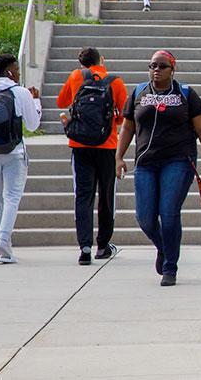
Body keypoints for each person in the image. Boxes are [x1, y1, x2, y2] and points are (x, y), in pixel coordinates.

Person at [115, 50, 201, 286]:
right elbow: (127, 128)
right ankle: (164, 247)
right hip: (145, 162)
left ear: (172, 69)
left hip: (178, 161)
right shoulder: (138, 92)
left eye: (162, 66)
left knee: (169, 211)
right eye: (153, 65)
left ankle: (170, 266)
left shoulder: (186, 94)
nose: (156, 70)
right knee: (144, 217)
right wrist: (119, 156)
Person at [56, 47, 128, 266]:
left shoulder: (76, 76)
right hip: (108, 146)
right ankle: (103, 245)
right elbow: (125, 115)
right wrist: (111, 123)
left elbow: (61, 102)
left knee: (83, 196)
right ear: (101, 60)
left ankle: (85, 247)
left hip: (80, 145)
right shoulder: (115, 81)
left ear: (82, 63)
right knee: (107, 197)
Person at [0, 54, 42, 265]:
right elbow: (32, 125)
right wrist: (36, 100)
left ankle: (5, 247)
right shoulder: (20, 93)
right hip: (14, 153)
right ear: (10, 72)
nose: (19, 73)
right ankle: (3, 241)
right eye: (17, 69)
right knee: (12, 197)